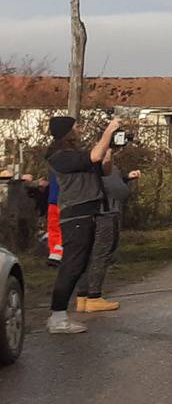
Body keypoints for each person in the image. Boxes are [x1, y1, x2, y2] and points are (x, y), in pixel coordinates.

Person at [45, 115, 122, 335]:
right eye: (75, 127)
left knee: (79, 265)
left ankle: (60, 315)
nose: (78, 129)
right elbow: (94, 155)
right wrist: (109, 131)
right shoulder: (60, 156)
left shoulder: (76, 153)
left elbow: (103, 168)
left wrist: (110, 149)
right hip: (75, 215)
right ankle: (57, 316)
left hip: (89, 212)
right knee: (71, 266)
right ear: (66, 131)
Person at [73, 151, 137, 314]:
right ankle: (94, 296)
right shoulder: (105, 167)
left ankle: (82, 296)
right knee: (101, 254)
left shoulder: (84, 168)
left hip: (88, 214)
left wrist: (126, 178)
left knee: (87, 255)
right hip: (106, 214)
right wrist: (122, 182)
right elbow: (119, 191)